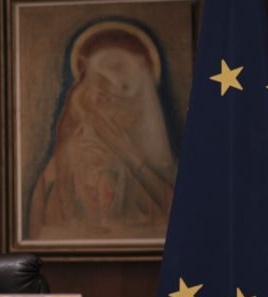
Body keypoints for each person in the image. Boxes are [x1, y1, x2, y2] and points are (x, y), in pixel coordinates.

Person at [29, 22, 177, 240]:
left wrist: (126, 153)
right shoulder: (63, 160)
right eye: (95, 85)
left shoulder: (145, 160)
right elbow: (40, 231)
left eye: (115, 92)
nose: (101, 98)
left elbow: (176, 216)